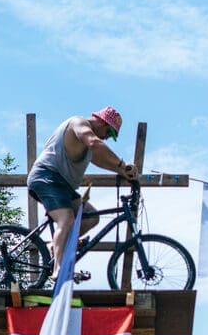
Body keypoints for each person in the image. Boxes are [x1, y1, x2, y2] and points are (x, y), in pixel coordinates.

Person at [27, 107, 139, 274]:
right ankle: (59, 268)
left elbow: (101, 160)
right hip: (47, 178)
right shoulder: (78, 123)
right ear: (101, 121)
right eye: (109, 132)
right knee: (66, 219)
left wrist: (123, 172)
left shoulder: (87, 145)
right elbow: (95, 143)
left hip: (63, 185)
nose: (108, 137)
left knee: (91, 217)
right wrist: (122, 165)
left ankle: (55, 245)